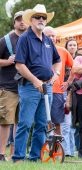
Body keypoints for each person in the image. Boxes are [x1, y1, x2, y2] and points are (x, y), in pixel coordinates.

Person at [12, 4, 61, 162]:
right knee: (25, 123)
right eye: (38, 17)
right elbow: (19, 64)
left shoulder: (48, 40)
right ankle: (18, 157)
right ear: (31, 20)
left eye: (43, 17)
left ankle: (35, 157)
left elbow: (57, 60)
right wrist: (35, 81)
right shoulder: (25, 38)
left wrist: (56, 75)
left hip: (47, 86)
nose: (41, 20)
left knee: (41, 125)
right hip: (30, 87)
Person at [0, 11, 28, 161]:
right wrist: (8, 61)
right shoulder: (5, 40)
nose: (22, 22)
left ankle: (16, 154)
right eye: (19, 20)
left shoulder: (32, 39)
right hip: (8, 87)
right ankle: (1, 154)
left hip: (27, 87)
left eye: (24, 20)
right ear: (14, 23)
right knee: (5, 122)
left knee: (21, 122)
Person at [43, 27, 74, 136]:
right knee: (42, 122)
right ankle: (43, 146)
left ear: (56, 38)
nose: (51, 38)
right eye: (48, 35)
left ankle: (56, 149)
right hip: (41, 89)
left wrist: (68, 82)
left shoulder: (62, 51)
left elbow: (75, 67)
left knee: (56, 122)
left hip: (57, 91)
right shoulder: (37, 49)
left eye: (53, 36)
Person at [61, 38, 78, 156]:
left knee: (74, 124)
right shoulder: (62, 61)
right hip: (66, 94)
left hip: (79, 94)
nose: (72, 47)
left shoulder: (80, 60)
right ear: (66, 48)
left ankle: (72, 150)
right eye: (70, 45)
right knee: (66, 124)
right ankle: (67, 150)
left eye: (74, 45)